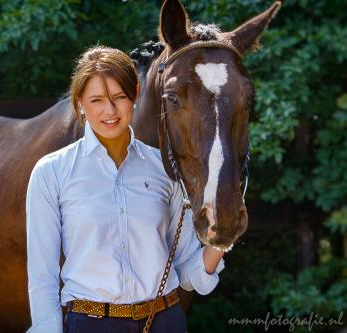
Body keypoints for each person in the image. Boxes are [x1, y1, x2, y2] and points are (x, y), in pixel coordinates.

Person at [26, 45, 225, 333]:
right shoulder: (52, 172)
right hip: (90, 324)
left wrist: (220, 240)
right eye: (96, 100)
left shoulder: (165, 170)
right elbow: (42, 276)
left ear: (135, 92)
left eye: (119, 97)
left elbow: (187, 271)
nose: (109, 111)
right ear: (79, 101)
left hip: (164, 321)